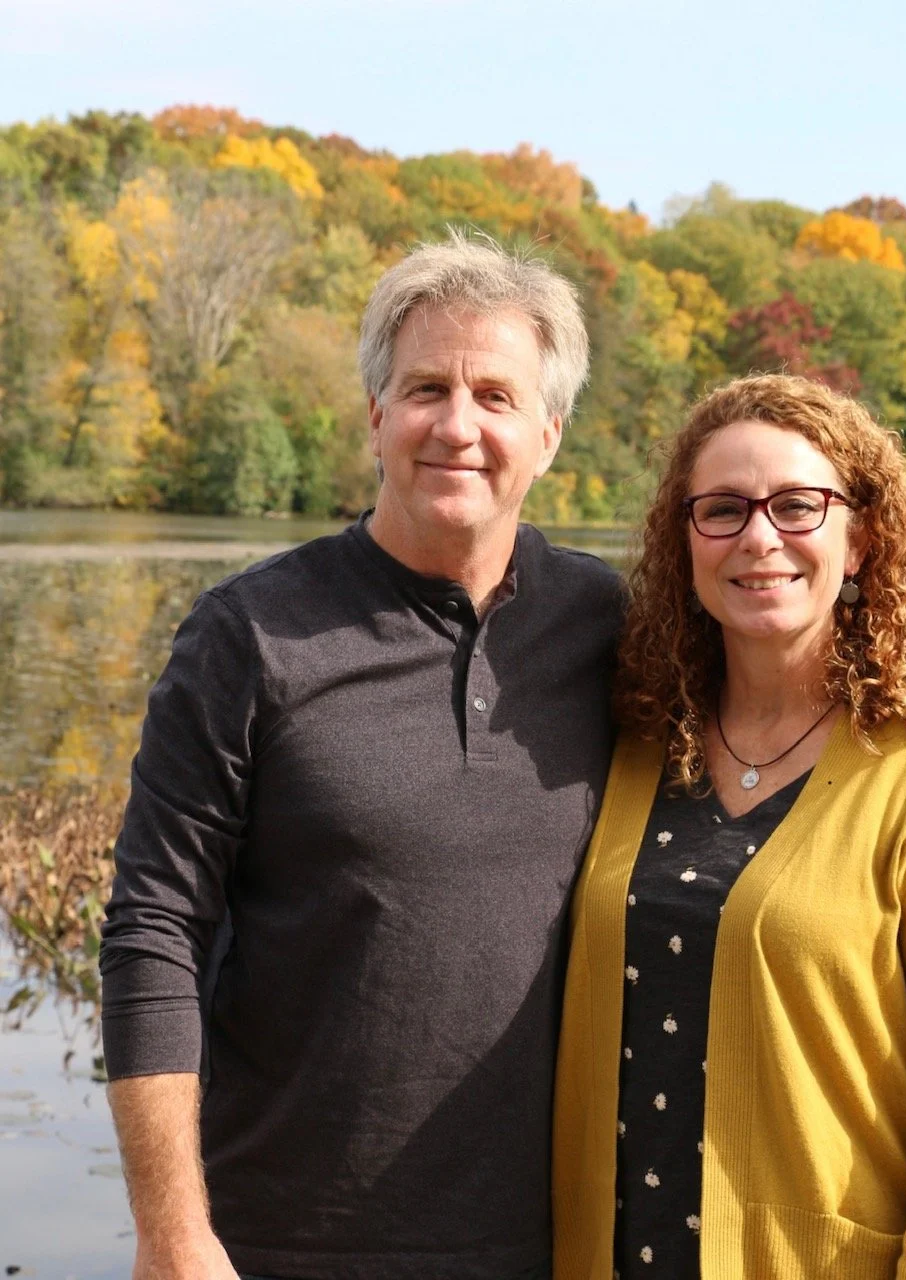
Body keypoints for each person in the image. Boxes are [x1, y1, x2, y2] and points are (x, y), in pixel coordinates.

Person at [100, 234, 622, 1280]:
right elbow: (153, 929)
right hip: (277, 1241)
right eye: (426, 386)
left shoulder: (608, 628)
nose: (458, 425)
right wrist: (172, 1231)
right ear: (378, 414)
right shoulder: (248, 633)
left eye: (497, 395)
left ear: (550, 434)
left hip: (547, 1245)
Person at [552, 374, 906, 1279]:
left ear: (859, 540)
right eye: (723, 510)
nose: (759, 537)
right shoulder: (634, 747)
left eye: (797, 505)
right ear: (684, 543)